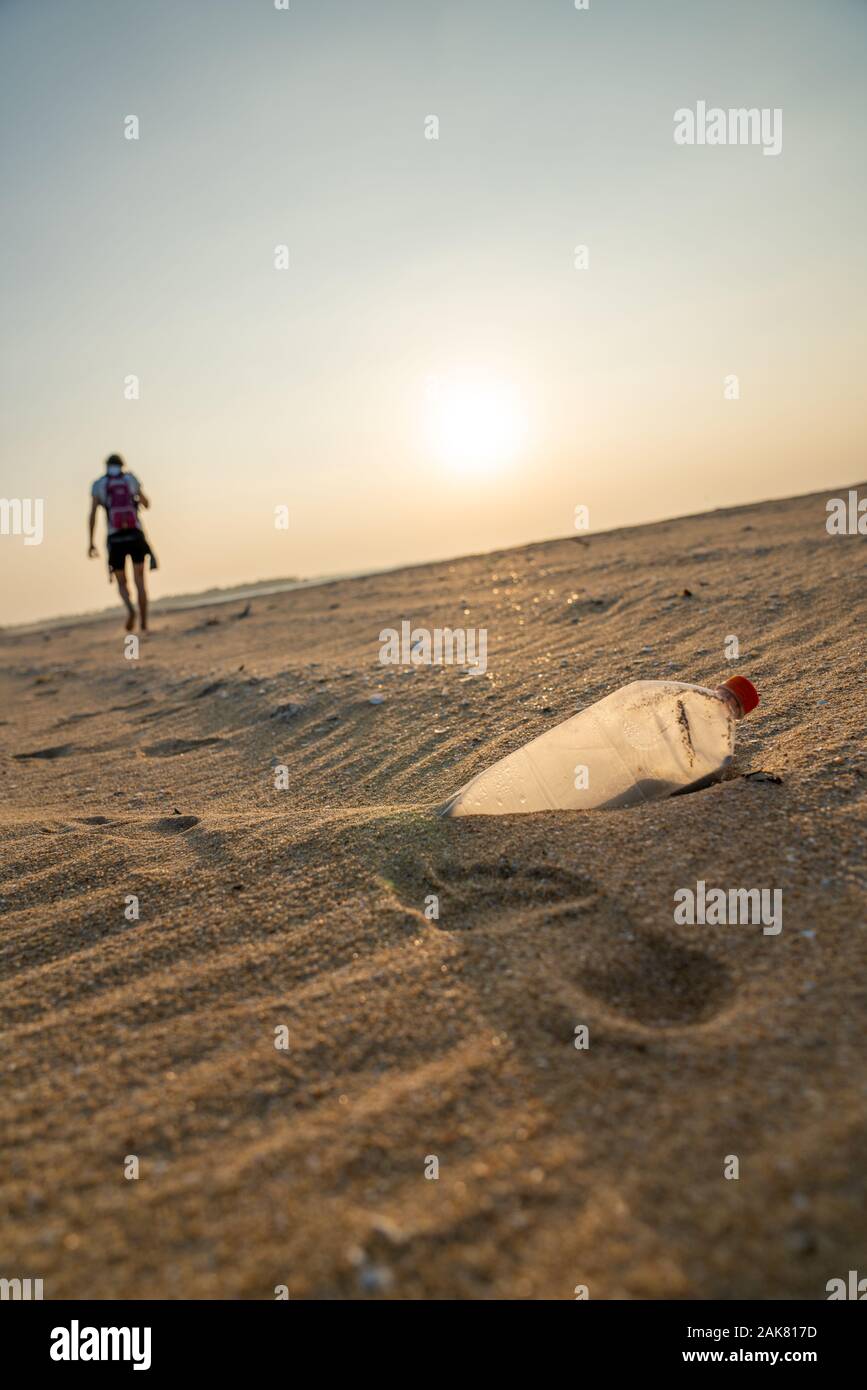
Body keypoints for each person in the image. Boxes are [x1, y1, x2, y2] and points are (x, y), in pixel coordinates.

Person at [88, 454, 156, 631]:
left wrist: (91, 542)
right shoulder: (130, 479)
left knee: (121, 582)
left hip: (115, 538)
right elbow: (147, 504)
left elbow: (93, 514)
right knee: (140, 581)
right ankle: (143, 624)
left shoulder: (99, 485)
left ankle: (130, 608)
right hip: (135, 534)